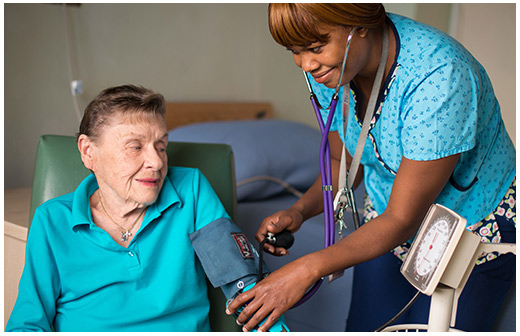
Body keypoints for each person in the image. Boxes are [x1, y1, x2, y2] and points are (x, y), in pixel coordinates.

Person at [226, 3, 516, 332]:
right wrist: (301, 211)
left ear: (359, 25)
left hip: (469, 221)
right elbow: (342, 161)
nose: (306, 64)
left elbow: (403, 219)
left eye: (315, 48)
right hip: (383, 211)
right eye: (295, 51)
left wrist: (307, 269)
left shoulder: (440, 76)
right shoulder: (334, 68)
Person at [6, 85, 287, 332]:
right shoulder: (53, 220)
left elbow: (242, 282)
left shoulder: (191, 189)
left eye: (161, 146)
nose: (156, 161)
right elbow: (28, 323)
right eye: (135, 146)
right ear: (89, 151)